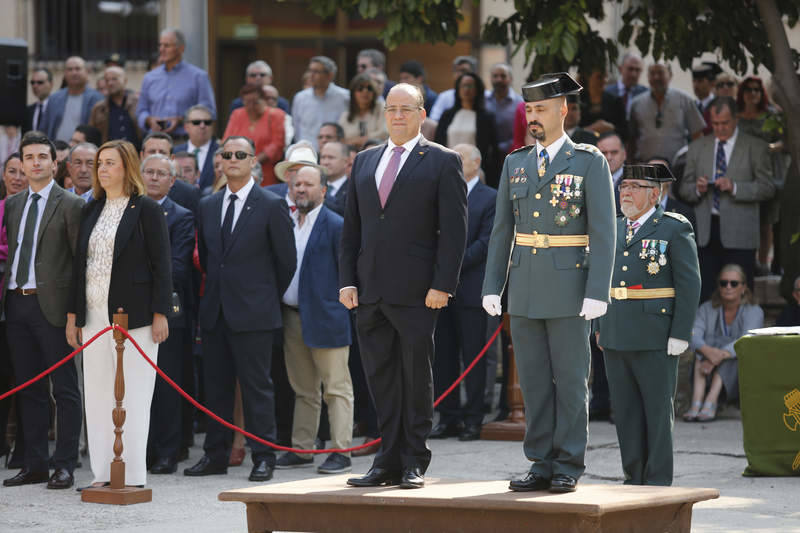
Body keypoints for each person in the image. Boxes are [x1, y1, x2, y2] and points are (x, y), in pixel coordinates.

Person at [482, 72, 616, 494]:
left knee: (572, 380)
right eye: (529, 111)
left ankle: (568, 463)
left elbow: (604, 232)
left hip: (570, 289)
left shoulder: (588, 160)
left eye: (540, 110)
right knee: (535, 382)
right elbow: (502, 229)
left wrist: (598, 291)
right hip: (523, 286)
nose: (533, 118)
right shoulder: (515, 162)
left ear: (563, 110)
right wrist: (492, 285)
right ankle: (540, 461)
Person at [340, 83, 468, 489]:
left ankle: (414, 460)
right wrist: (347, 281)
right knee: (381, 378)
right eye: (391, 109)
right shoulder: (364, 161)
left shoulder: (443, 161)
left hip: (418, 292)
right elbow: (351, 229)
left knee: (416, 377)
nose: (397, 116)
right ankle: (386, 460)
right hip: (370, 292)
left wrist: (443, 284)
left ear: (422, 113)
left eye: (406, 109)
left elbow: (454, 232)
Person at [184, 136, 296, 482]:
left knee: (256, 388)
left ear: (253, 163)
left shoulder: (270, 204)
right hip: (216, 312)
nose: (231, 159)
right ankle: (215, 455)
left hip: (255, 313)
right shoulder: (208, 204)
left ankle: (263, 456)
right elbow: (208, 259)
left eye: (239, 154)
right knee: (215, 388)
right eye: (226, 154)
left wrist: (262, 296)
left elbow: (286, 263)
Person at [66, 139, 171, 489]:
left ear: (127, 167)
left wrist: (161, 313)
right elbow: (79, 266)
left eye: (110, 163)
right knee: (96, 396)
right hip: (93, 314)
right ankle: (102, 474)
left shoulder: (146, 209)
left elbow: (163, 266)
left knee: (134, 396)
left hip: (135, 317)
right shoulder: (91, 208)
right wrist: (74, 315)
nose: (102, 169)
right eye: (99, 164)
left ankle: (131, 475)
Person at [596, 164, 701, 486]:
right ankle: (633, 476)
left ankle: (656, 481)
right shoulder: (611, 227)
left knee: (656, 413)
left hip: (656, 335)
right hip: (615, 332)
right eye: (623, 186)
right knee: (625, 414)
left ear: (654, 194)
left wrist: (680, 333)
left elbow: (689, 284)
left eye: (634, 187)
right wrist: (599, 327)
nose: (625, 192)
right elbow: (600, 281)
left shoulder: (672, 228)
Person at [2, 133, 84, 490]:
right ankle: (34, 464)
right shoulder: (14, 204)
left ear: (55, 163)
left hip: (53, 307)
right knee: (28, 388)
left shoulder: (70, 204)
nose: (34, 163)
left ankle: (64, 464)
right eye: (28, 157)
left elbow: (80, 262)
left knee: (64, 389)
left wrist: (73, 315)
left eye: (41, 157)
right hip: (16, 303)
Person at [275, 165, 354, 474]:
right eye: (297, 184)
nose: (301, 189)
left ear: (323, 190)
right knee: (303, 389)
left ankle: (341, 451)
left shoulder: (336, 224)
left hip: (327, 317)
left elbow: (349, 272)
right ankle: (302, 448)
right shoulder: (288, 222)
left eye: (308, 184)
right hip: (292, 317)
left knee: (336, 387)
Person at [678, 96, 774, 301]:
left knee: (741, 294)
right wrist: (697, 188)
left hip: (740, 232)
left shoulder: (755, 146)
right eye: (715, 124)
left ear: (736, 119)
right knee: (704, 294)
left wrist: (736, 187)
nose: (720, 128)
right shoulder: (697, 147)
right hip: (705, 232)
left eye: (725, 123)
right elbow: (684, 189)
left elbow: (767, 188)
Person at [431, 143, 496, 441]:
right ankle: (448, 417)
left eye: (458, 158)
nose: (453, 163)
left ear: (476, 162)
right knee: (443, 356)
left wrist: (450, 265)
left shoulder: (490, 197)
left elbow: (486, 244)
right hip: (439, 290)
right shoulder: (439, 194)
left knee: (473, 357)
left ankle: (473, 418)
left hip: (470, 289)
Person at [139, 154, 194, 474]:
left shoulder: (182, 216)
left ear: (173, 181)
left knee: (167, 384)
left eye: (162, 174)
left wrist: (138, 279)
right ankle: (141, 450)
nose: (155, 177)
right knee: (137, 385)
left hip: (166, 310)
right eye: (150, 172)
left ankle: (167, 452)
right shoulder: (128, 210)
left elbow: (178, 267)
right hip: (130, 312)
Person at [684, 264, 764, 422]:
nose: (728, 287)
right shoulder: (706, 308)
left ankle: (710, 401)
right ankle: (696, 400)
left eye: (734, 283)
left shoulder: (754, 311)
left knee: (732, 353)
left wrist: (717, 357)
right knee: (703, 350)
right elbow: (693, 335)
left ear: (743, 288)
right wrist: (709, 352)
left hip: (736, 372)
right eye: (723, 283)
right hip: (705, 367)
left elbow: (746, 339)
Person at [736, 76, 785, 276]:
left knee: (766, 222)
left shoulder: (772, 116)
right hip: (743, 176)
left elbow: (785, 142)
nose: (752, 93)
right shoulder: (736, 117)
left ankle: (764, 262)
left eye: (757, 89)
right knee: (746, 221)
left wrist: (766, 149)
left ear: (761, 93)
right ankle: (747, 262)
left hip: (768, 175)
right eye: (748, 89)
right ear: (742, 93)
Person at [137, 28, 216, 140]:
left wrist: (181, 119)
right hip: (155, 141)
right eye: (160, 45)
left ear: (181, 48)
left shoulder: (198, 77)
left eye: (167, 46)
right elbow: (141, 111)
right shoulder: (149, 78)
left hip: (184, 141)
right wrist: (149, 120)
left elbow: (209, 111)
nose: (161, 49)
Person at [628, 62, 706, 163]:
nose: (656, 77)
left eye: (660, 73)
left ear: (670, 75)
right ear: (647, 77)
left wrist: (696, 163)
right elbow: (631, 139)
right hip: (645, 166)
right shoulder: (637, 103)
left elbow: (698, 136)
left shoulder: (684, 100)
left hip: (678, 166)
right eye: (652, 73)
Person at [434, 72, 499, 187]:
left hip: (474, 172)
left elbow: (492, 150)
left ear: (477, 89)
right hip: (448, 171)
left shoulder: (486, 117)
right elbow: (438, 144)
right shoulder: (447, 115)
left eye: (470, 86)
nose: (466, 89)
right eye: (463, 86)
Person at [223, 84, 285, 186]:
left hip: (266, 172)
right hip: (237, 170)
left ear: (264, 100)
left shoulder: (276, 115)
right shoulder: (237, 114)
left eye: (255, 102)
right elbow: (226, 141)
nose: (251, 106)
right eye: (247, 103)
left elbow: (277, 144)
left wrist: (252, 161)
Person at [40, 57, 104, 143]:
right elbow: (44, 128)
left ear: (86, 72)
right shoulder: (54, 98)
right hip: (56, 151)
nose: (74, 73)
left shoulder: (97, 98)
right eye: (70, 69)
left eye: (78, 69)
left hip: (85, 152)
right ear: (65, 73)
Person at [291, 56, 349, 151]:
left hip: (334, 153)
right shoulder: (300, 98)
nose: (311, 75)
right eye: (310, 71)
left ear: (330, 75)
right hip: (307, 152)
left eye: (316, 72)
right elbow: (296, 128)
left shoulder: (344, 97)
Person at [140, 132, 200, 216]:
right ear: (142, 156)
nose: (157, 156)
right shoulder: (128, 187)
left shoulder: (188, 193)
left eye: (162, 152)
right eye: (152, 151)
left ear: (171, 158)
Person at [88, 66, 141, 147]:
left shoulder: (138, 103)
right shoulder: (98, 108)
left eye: (114, 79)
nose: (110, 83)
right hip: (109, 156)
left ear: (125, 80)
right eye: (107, 80)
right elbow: (91, 136)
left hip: (136, 155)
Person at [175, 105, 219, 192]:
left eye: (207, 122)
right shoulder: (174, 152)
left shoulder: (221, 152)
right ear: (186, 127)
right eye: (196, 122)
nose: (202, 126)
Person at [338, 73, 388, 149]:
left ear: (374, 92)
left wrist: (358, 140)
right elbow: (340, 139)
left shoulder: (382, 107)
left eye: (369, 88)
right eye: (360, 88)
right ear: (353, 92)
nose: (365, 91)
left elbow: (385, 132)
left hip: (377, 151)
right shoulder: (346, 115)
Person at [484, 63, 524, 155]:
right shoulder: (483, 101)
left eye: (503, 76)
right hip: (487, 155)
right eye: (495, 76)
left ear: (510, 79)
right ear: (490, 78)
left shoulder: (520, 103)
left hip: (512, 153)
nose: (499, 79)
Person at [428, 56, 477, 123]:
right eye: (456, 71)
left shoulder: (486, 96)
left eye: (464, 71)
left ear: (474, 73)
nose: (459, 74)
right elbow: (434, 120)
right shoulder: (444, 96)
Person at [604, 52, 647, 117]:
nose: (633, 74)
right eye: (630, 69)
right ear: (620, 69)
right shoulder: (607, 92)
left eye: (637, 70)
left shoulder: (646, 94)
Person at [318, 141, 349, 216]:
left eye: (331, 157)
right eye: (323, 157)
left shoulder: (353, 189)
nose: (325, 162)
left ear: (345, 162)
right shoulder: (314, 186)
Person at [692, 62, 722, 135]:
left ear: (712, 83)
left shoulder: (720, 105)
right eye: (694, 81)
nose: (696, 85)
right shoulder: (691, 105)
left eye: (700, 81)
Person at [24, 68, 54, 134]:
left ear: (51, 84)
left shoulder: (57, 108)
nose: (35, 86)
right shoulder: (28, 110)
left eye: (40, 82)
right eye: (32, 82)